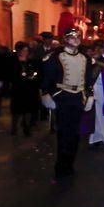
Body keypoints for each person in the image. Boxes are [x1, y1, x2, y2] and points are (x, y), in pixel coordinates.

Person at [41, 30, 94, 180]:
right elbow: (48, 77)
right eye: (72, 37)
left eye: (78, 37)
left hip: (78, 98)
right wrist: (46, 93)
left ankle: (70, 165)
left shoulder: (85, 58)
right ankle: (60, 167)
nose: (76, 40)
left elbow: (88, 79)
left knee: (75, 134)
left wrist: (89, 96)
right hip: (63, 96)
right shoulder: (55, 56)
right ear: (65, 39)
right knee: (64, 134)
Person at [9, 43, 40, 138]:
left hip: (29, 88)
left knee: (28, 109)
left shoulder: (31, 62)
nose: (24, 53)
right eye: (22, 51)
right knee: (17, 110)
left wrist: (32, 76)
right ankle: (14, 127)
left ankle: (27, 127)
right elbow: (10, 74)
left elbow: (36, 72)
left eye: (26, 51)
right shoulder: (13, 62)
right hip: (18, 89)